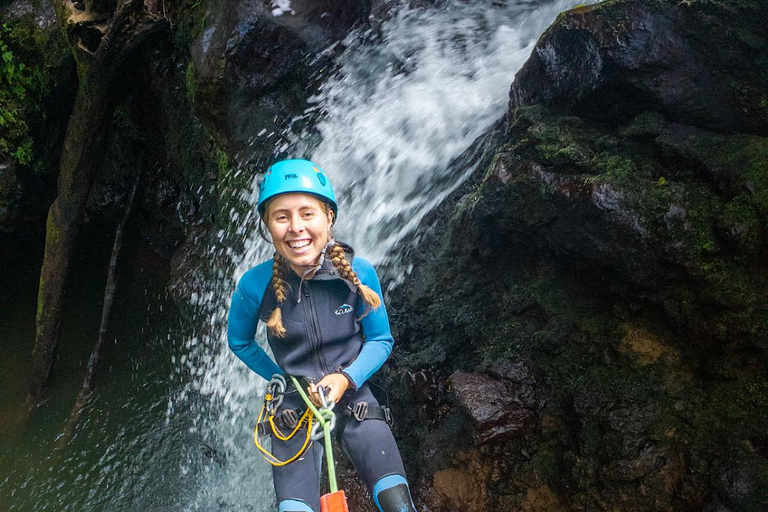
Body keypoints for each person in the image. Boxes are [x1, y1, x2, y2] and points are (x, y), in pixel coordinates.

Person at [227, 159, 417, 512]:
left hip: (355, 397)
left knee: (397, 503)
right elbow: (239, 341)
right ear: (266, 225)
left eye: (307, 214)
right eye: (282, 216)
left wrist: (346, 378)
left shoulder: (359, 273)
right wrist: (283, 380)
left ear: (328, 217)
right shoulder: (254, 286)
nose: (296, 227)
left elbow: (380, 340)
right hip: (293, 410)